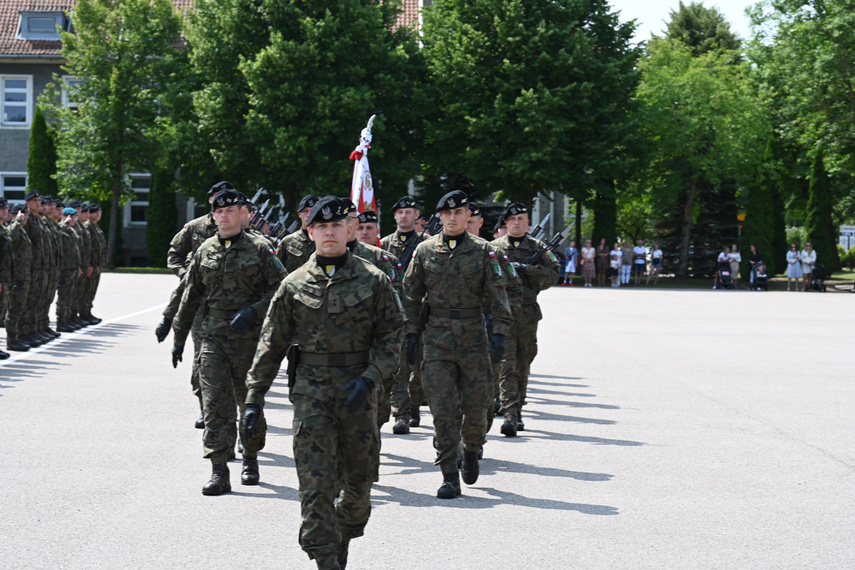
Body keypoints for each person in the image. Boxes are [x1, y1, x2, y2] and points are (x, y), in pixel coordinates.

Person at [242, 196, 402, 570]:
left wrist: (372, 377)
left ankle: (344, 533)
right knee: (315, 485)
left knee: (359, 486)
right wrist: (253, 400)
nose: (329, 233)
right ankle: (326, 555)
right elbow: (271, 344)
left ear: (349, 231)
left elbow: (392, 337)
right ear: (310, 232)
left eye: (336, 226)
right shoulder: (293, 284)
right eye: (321, 227)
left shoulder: (373, 279)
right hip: (311, 393)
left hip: (358, 392)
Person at [171, 188, 286, 495]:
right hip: (212, 336)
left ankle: (250, 457)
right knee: (214, 405)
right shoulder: (205, 250)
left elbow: (281, 289)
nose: (224, 216)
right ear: (214, 216)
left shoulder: (262, 248)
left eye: (231, 211)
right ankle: (219, 470)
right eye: (219, 212)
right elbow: (190, 295)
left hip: (249, 338)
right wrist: (179, 337)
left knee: (249, 401)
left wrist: (254, 310)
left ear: (242, 214)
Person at [404, 190, 511, 498]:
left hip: (474, 339)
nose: (452, 218)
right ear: (440, 217)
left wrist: (500, 335)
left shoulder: (485, 252)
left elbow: (499, 296)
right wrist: (411, 334)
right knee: (442, 409)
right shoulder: (424, 251)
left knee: (478, 407)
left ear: (468, 216)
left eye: (459, 213)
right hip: (436, 340)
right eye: (447, 214)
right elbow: (411, 295)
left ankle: (474, 447)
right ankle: (449, 473)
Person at [160, 181, 229, 429]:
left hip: (231, 305)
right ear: (210, 199)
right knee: (202, 357)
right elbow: (174, 253)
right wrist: (183, 274)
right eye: (217, 197)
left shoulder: (240, 228)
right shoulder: (196, 227)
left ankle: (230, 412)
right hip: (199, 305)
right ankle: (205, 408)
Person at [491, 202, 560, 434]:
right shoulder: (493, 248)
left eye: (521, 219)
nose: (517, 223)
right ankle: (510, 414)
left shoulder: (538, 247)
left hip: (527, 315)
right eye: (512, 220)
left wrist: (527, 270)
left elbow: (553, 275)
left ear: (528, 222)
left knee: (523, 362)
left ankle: (518, 407)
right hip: (502, 313)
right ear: (506, 223)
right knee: (506, 363)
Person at [380, 195, 427, 429]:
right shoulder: (385, 244)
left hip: (421, 311)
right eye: (400, 212)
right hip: (394, 312)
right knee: (399, 364)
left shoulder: (427, 243)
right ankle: (401, 413)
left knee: (418, 365)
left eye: (409, 212)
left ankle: (415, 404)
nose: (405, 215)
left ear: (416, 215)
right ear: (395, 216)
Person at [5, 204, 32, 352]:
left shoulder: (22, 231)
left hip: (24, 276)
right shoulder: (13, 229)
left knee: (20, 308)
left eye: (26, 215)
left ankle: (18, 336)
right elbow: (11, 236)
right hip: (16, 277)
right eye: (22, 215)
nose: (25, 217)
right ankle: (12, 339)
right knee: (13, 309)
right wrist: (17, 221)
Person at [276, 194, 320, 273]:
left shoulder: (325, 240)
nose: (309, 215)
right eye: (305, 211)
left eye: (313, 211)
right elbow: (276, 267)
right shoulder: (288, 241)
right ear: (299, 214)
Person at [56, 208, 83, 332]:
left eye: (74, 217)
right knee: (63, 296)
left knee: (70, 296)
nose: (72, 220)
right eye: (70, 217)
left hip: (72, 268)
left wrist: (78, 267)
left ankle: (67, 319)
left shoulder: (72, 231)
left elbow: (76, 251)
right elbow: (57, 235)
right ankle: (61, 321)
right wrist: (65, 223)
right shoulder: (61, 229)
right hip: (64, 269)